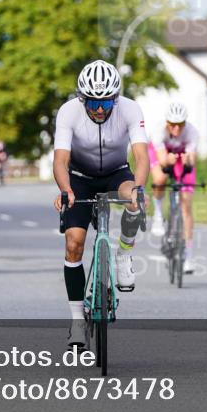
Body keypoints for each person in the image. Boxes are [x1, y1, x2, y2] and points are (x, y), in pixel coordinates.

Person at [51, 60, 148, 349]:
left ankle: (123, 255)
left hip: (117, 173)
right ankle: (77, 321)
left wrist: (138, 189)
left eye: (106, 102)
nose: (100, 109)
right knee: (74, 243)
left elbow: (142, 157)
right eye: (93, 102)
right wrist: (66, 189)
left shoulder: (130, 109)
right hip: (79, 177)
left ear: (114, 98)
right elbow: (60, 160)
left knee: (133, 198)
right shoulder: (68, 112)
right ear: (83, 98)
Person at [149, 102, 198, 273]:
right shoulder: (158, 131)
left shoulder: (192, 133)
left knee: (186, 205)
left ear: (185, 123)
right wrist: (167, 161)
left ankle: (189, 255)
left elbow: (191, 161)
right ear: (167, 123)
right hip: (163, 154)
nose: (177, 128)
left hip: (182, 155)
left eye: (181, 124)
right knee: (160, 178)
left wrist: (187, 162)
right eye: (173, 124)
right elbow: (162, 160)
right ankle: (158, 214)